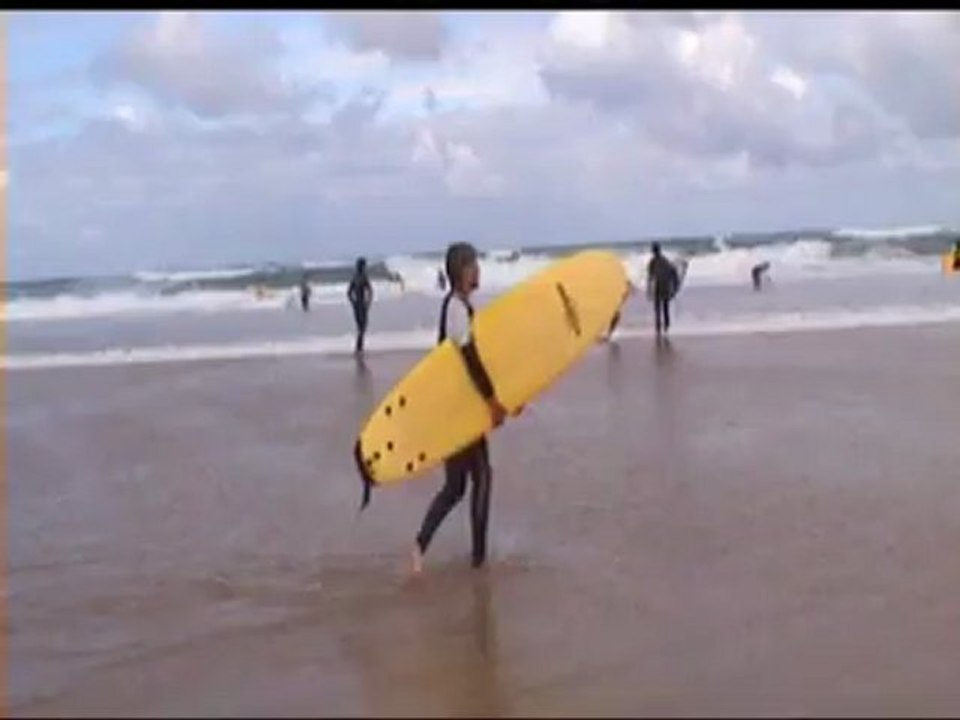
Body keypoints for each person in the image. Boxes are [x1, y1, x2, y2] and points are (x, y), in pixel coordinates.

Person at [411, 242, 517, 574]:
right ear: (462, 270)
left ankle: (420, 546)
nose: (479, 270)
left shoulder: (462, 307)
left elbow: (483, 359)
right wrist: (491, 401)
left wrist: (511, 395)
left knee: (457, 487)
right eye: (474, 265)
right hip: (460, 411)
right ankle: (478, 559)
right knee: (481, 477)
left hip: (458, 409)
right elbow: (470, 360)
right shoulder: (456, 308)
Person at [646, 242, 679, 337]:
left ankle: (660, 327)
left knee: (659, 308)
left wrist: (649, 289)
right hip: (663, 286)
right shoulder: (664, 260)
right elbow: (673, 273)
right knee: (664, 308)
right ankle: (664, 326)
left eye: (653, 250)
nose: (653, 252)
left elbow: (650, 277)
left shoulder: (653, 262)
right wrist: (675, 286)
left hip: (660, 286)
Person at [347, 258, 374, 354]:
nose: (365, 267)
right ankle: (359, 347)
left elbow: (349, 293)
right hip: (362, 304)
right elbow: (370, 291)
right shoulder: (363, 277)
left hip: (357, 304)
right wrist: (368, 301)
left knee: (360, 326)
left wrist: (353, 302)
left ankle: (359, 347)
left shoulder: (354, 277)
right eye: (364, 265)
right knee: (363, 326)